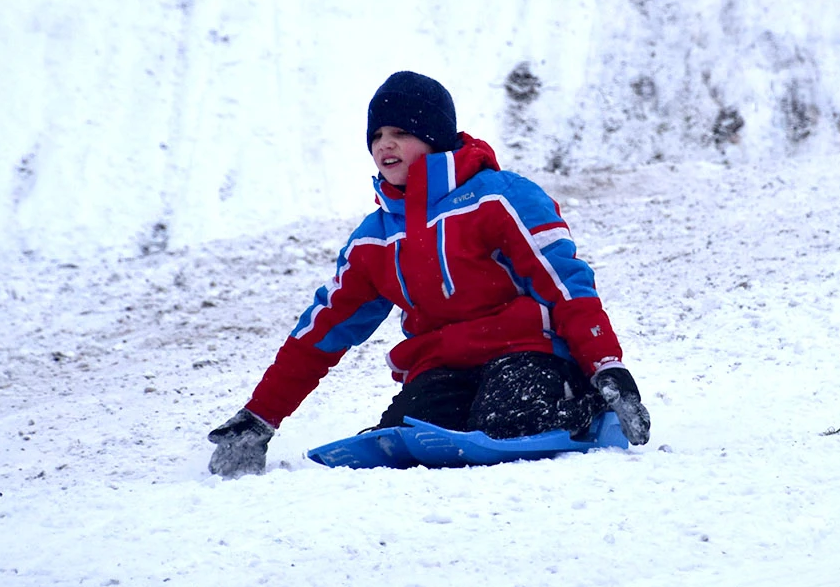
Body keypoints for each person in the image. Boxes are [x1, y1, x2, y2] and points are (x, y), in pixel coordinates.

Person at [207, 71, 650, 478]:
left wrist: (606, 367)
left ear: (434, 136)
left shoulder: (499, 198)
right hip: (443, 365)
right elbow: (323, 330)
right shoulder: (376, 238)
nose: (385, 145)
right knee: (411, 431)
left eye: (401, 132)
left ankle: (586, 406)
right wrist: (259, 417)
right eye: (376, 135)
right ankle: (451, 417)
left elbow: (566, 286)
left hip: (528, 350)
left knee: (509, 420)